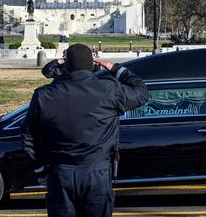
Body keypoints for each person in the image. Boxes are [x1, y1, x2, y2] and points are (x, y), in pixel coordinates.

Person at [21, 43, 149, 217]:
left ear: (66, 66)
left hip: (60, 173)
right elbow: (141, 92)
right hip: (96, 172)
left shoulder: (44, 95)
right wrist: (115, 68)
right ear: (93, 65)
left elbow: (29, 135)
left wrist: (39, 170)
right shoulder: (108, 90)